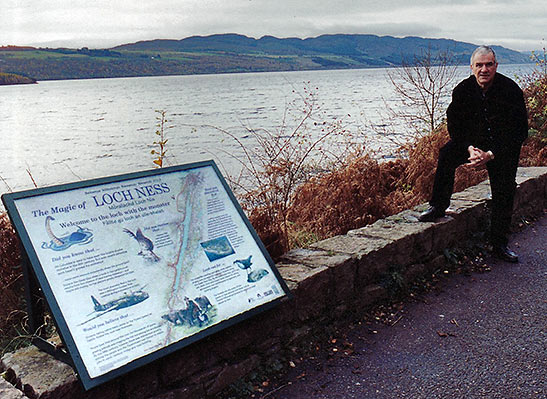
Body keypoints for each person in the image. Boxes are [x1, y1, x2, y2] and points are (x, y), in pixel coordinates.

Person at [418, 45, 528, 263]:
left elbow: (519, 131)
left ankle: (499, 244)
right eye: (479, 65)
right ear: (472, 67)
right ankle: (438, 206)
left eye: (489, 64)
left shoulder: (511, 90)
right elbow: (455, 125)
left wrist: (491, 154)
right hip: (471, 143)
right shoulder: (462, 91)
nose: (484, 69)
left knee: (504, 190)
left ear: (496, 66)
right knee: (447, 154)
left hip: (501, 146)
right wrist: (469, 148)